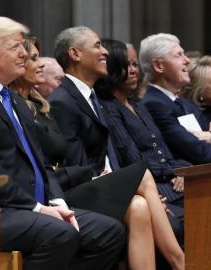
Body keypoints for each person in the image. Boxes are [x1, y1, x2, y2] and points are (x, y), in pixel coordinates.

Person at [0, 17, 125, 270]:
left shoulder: (13, 98)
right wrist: (37, 208)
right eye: (15, 47)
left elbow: (42, 162)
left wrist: (56, 200)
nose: (24, 54)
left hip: (30, 207)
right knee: (60, 233)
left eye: (23, 46)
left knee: (108, 231)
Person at [48, 27, 185, 270]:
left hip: (103, 186)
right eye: (97, 46)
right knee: (142, 174)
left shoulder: (91, 97)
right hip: (80, 190)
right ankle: (180, 261)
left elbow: (110, 156)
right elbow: (75, 165)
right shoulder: (62, 100)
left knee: (140, 207)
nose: (104, 53)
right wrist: (121, 182)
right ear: (75, 53)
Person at [94, 38, 188, 244]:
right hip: (150, 185)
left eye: (135, 64)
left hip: (169, 182)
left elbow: (162, 149)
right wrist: (172, 172)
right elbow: (132, 158)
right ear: (112, 67)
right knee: (197, 216)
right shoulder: (107, 107)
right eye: (127, 64)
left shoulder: (137, 105)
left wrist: (181, 170)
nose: (134, 70)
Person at [139, 33, 211, 165]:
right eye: (179, 55)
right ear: (158, 66)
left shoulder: (185, 103)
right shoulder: (154, 105)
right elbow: (202, 154)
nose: (187, 61)